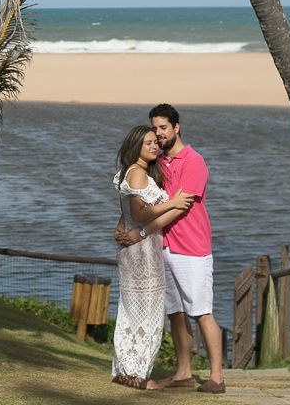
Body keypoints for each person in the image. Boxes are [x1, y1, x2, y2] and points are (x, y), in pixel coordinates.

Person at [116, 103, 225, 394]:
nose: (159, 134)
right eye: (155, 129)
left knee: (201, 312)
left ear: (176, 128)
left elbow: (181, 206)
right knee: (175, 313)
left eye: (163, 128)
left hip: (192, 249)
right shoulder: (158, 161)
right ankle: (183, 373)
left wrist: (140, 232)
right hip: (163, 248)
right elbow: (139, 197)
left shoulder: (193, 162)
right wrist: (123, 222)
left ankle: (216, 378)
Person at [111, 125, 194, 390]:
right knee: (148, 312)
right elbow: (139, 213)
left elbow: (127, 214)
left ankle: (126, 371)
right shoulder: (138, 174)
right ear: (136, 145)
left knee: (132, 311)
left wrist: (119, 226)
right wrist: (172, 203)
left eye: (154, 142)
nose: (153, 146)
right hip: (143, 251)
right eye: (147, 143)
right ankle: (139, 377)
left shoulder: (133, 173)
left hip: (135, 249)